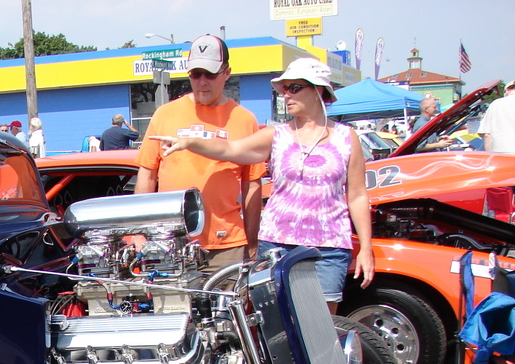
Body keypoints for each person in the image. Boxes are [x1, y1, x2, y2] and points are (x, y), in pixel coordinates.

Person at [150, 57, 374, 311]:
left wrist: (366, 248)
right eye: (284, 89)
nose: (286, 95)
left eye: (294, 88)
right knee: (275, 324)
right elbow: (230, 149)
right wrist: (190, 142)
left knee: (321, 324)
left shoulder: (346, 137)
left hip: (329, 247)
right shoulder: (276, 135)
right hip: (277, 244)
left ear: (318, 90)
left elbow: (357, 195)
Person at [134, 33, 264, 270]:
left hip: (226, 246)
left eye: (210, 74)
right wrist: (140, 231)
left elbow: (252, 185)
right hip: (170, 243)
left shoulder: (244, 120)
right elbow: (148, 173)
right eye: (196, 74)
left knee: (228, 296)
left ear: (227, 73)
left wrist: (252, 242)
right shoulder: (165, 114)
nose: (203, 81)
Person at [481, 79, 515, 154]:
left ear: (507, 90)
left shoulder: (496, 104)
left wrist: (489, 155)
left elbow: (487, 135)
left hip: (501, 152)